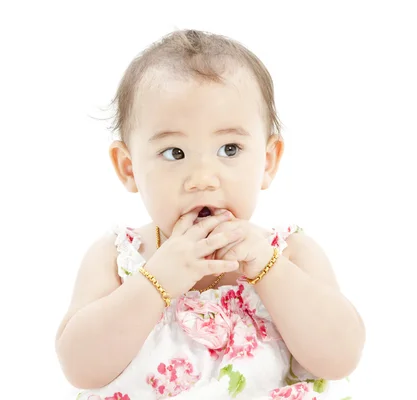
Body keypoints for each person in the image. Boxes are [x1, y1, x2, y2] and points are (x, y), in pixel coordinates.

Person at [54, 29, 365, 399]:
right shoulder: (120, 257)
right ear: (128, 167)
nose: (202, 179)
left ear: (267, 162)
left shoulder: (291, 253)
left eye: (229, 149)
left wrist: (269, 268)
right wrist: (156, 282)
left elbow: (341, 357)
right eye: (174, 153)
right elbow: (79, 367)